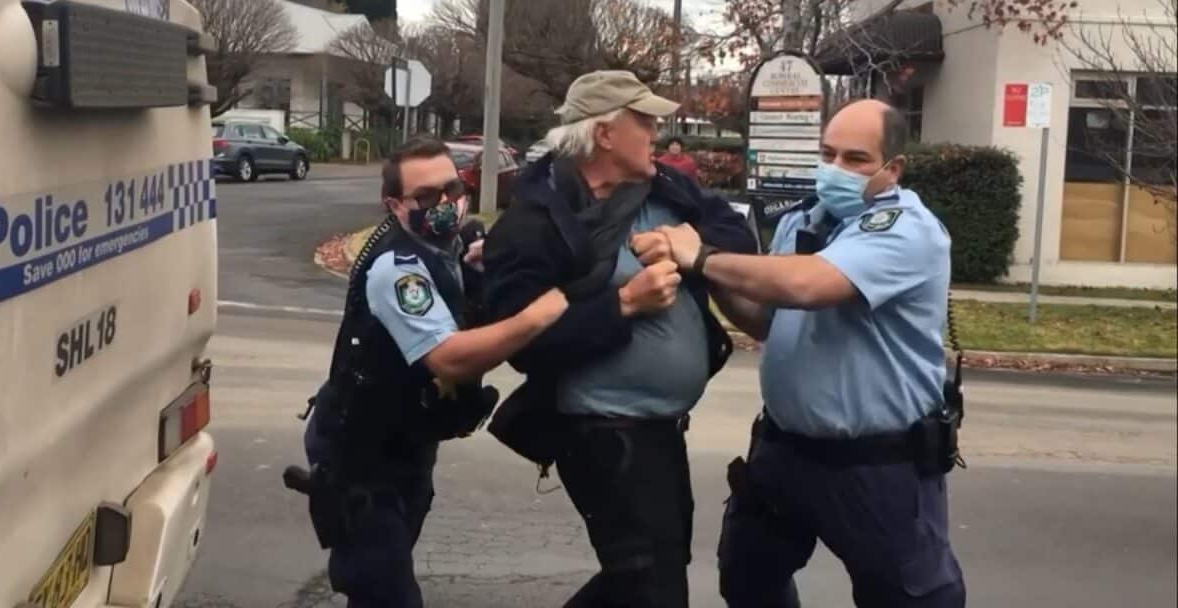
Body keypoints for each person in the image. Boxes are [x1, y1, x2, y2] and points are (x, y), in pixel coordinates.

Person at [649, 99, 966, 608]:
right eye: (828, 153)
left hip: (874, 464)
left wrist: (703, 255)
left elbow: (809, 285)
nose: (836, 169)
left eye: (856, 159)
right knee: (749, 582)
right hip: (785, 452)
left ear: (894, 168)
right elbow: (769, 320)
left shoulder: (907, 230)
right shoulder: (805, 221)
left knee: (907, 598)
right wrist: (704, 275)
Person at [483, 70, 760, 608]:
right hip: (603, 433)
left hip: (661, 430)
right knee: (650, 587)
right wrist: (623, 304)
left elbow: (738, 236)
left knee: (646, 579)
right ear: (605, 134)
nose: (657, 131)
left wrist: (690, 243)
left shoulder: (667, 189)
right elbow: (523, 344)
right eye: (645, 120)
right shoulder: (536, 220)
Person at [297, 136, 570, 608]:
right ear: (395, 205)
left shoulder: (454, 247)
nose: (445, 204)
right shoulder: (396, 268)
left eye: (451, 188)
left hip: (408, 447)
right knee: (387, 594)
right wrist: (539, 316)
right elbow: (448, 357)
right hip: (360, 460)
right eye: (425, 197)